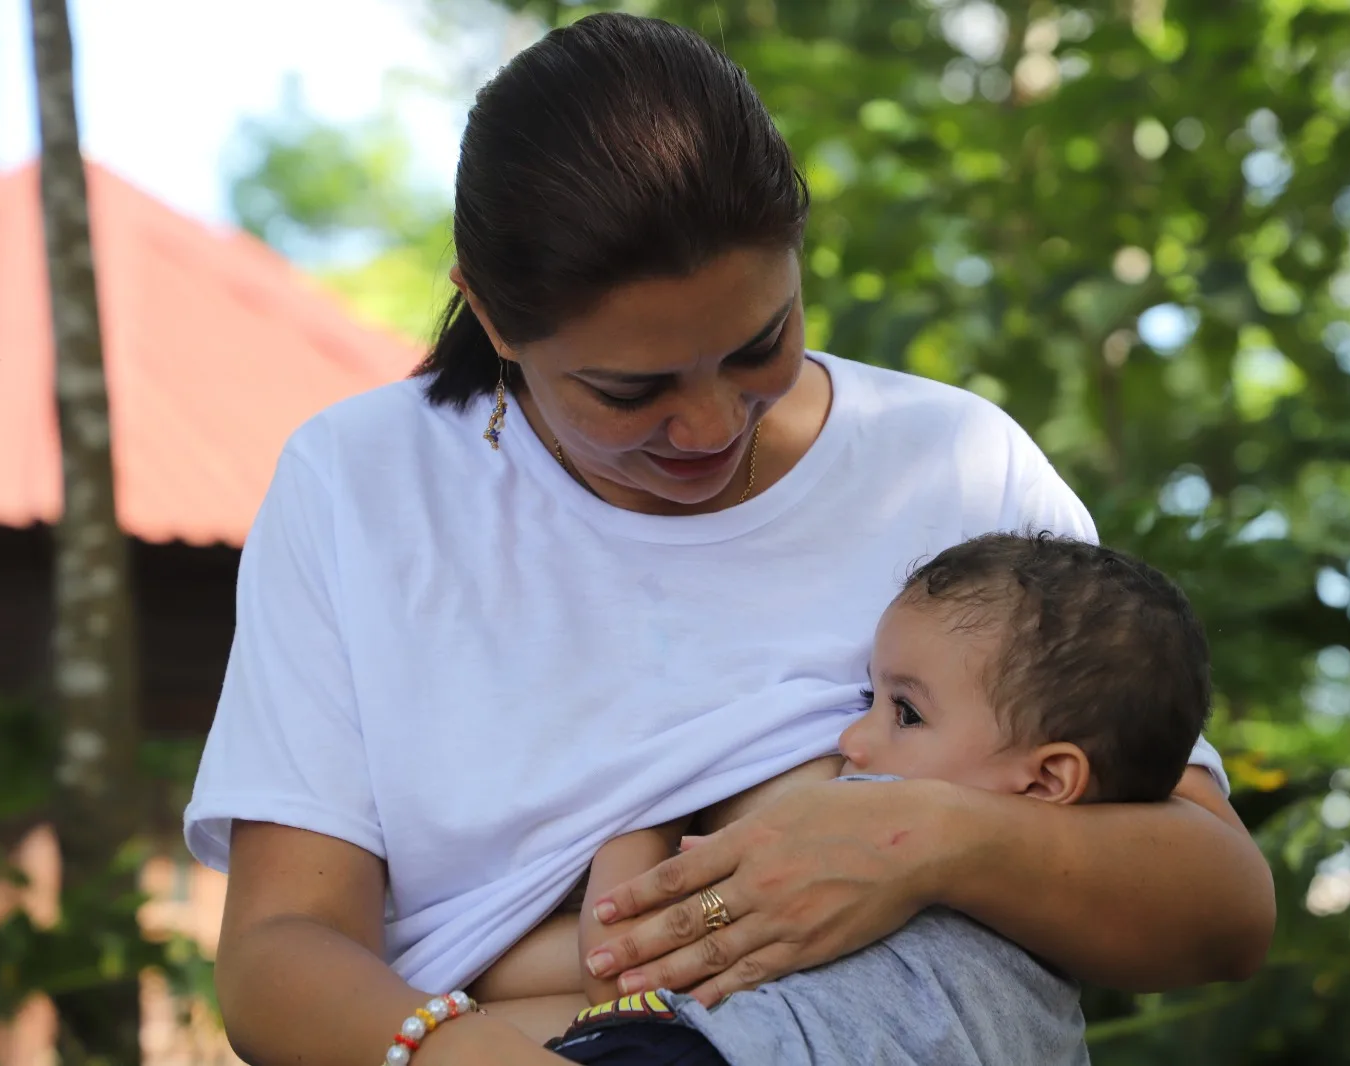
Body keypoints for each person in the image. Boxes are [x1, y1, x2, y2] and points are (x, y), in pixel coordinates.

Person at [184, 13, 1274, 1066]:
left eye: (761, 344)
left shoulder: (949, 463)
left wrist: (927, 841)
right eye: (630, 389)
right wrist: (469, 1049)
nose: (707, 426)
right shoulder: (360, 483)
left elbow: (1218, 903)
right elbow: (283, 952)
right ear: (495, 319)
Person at [513, 532, 1207, 1065]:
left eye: (904, 712)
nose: (853, 736)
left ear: (1046, 780)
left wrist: (640, 813)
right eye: (867, 697)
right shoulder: (1055, 951)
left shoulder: (860, 833)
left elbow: (623, 976)